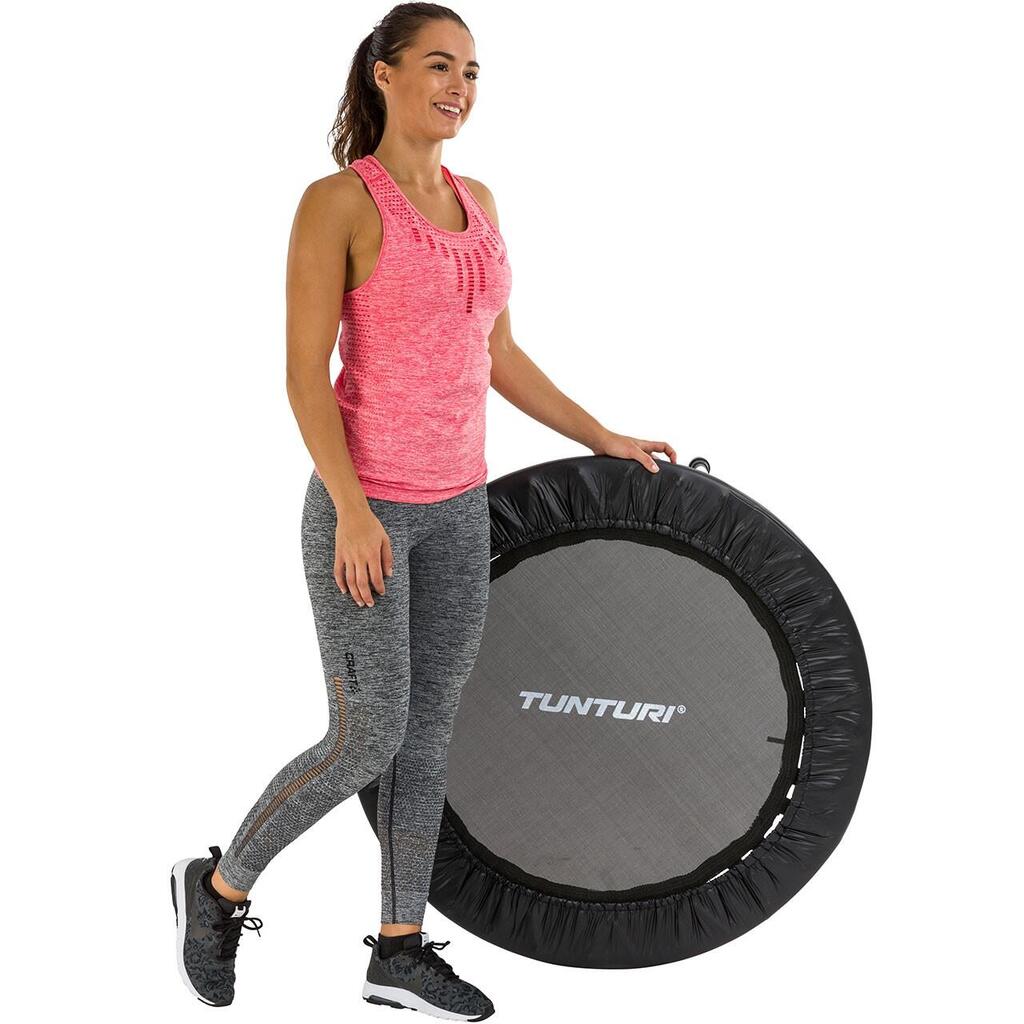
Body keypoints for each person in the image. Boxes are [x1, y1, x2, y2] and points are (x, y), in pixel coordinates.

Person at [169, 4, 676, 1019]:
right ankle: (217, 887)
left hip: (458, 509)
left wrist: (601, 435)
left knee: (429, 734)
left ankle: (399, 950)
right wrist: (353, 510)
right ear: (384, 74)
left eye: (473, 71)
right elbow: (303, 377)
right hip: (368, 514)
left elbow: (499, 354)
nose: (459, 86)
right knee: (367, 735)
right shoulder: (338, 203)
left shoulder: (478, 201)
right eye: (440, 65)